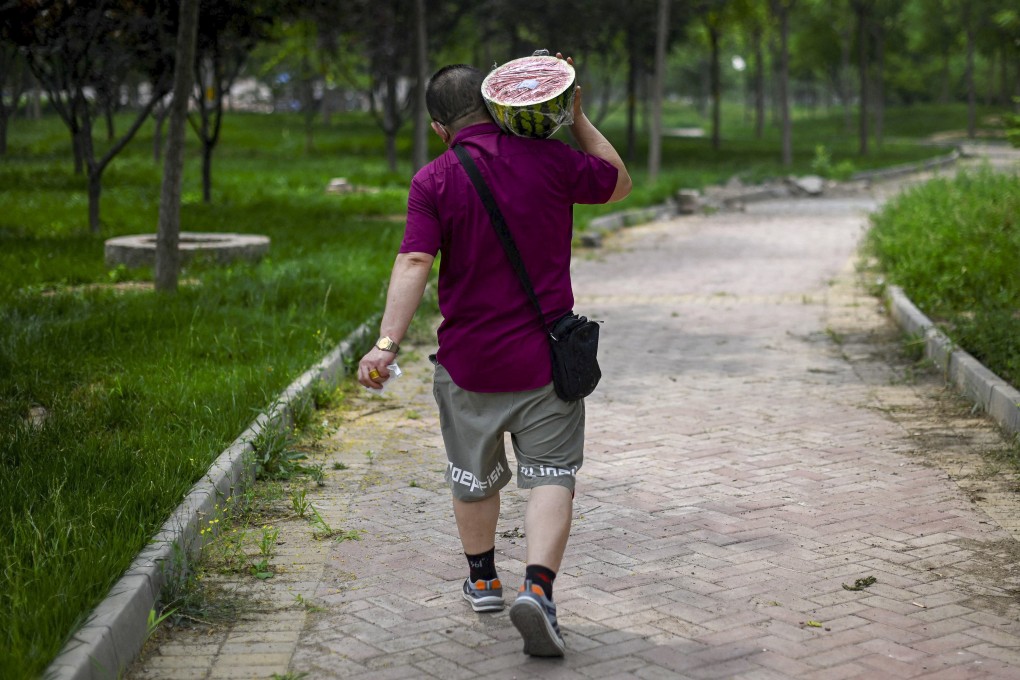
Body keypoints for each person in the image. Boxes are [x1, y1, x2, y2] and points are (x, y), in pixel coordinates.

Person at [357, 53, 631, 657]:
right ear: (492, 104)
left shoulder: (433, 180)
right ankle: (538, 589)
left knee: (473, 477)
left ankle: (483, 580)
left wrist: (385, 345)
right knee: (552, 476)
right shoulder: (554, 160)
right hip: (546, 362)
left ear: (440, 129)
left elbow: (413, 263)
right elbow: (618, 180)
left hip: (470, 365)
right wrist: (576, 117)